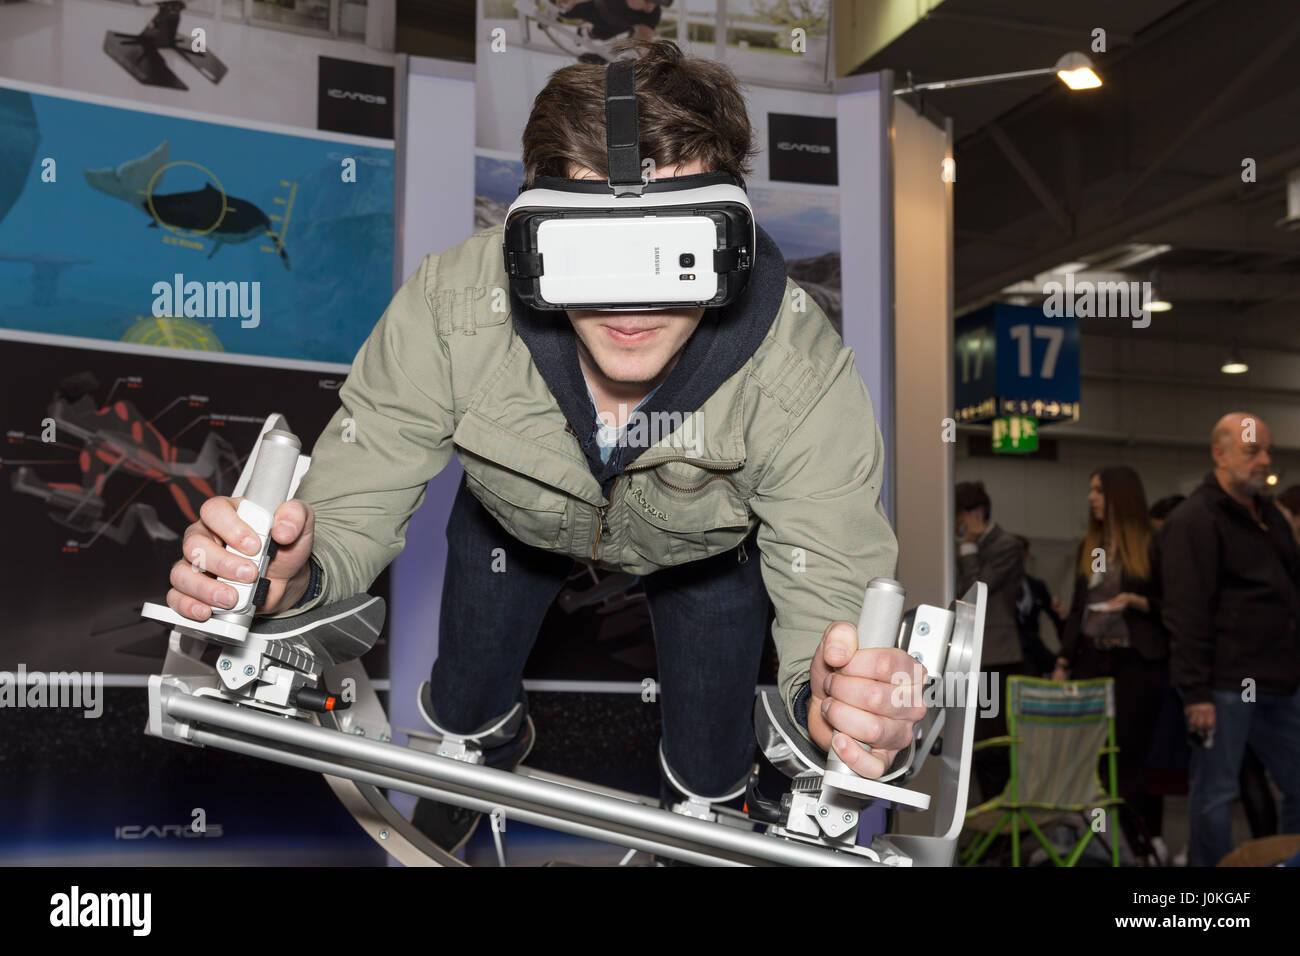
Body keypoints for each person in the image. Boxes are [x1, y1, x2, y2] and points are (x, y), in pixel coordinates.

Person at [161, 39, 924, 854]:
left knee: (711, 766)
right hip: (514, 522)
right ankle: (481, 737)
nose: (631, 301)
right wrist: (289, 576)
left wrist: (843, 704)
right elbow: (350, 505)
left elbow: (832, 601)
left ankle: (708, 796)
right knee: (460, 698)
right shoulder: (455, 310)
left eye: (674, 253)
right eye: (589, 251)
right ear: (531, 241)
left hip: (710, 549)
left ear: (728, 239)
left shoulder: (799, 372)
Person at [1160, 412, 1300, 867]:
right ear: (1219, 454)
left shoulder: (1269, 517)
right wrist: (1195, 691)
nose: (1263, 460)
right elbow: (1185, 612)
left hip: (1279, 681)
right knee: (1216, 794)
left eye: (1268, 451)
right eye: (1251, 451)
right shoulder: (1194, 520)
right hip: (1222, 685)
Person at [1052, 466, 1168, 863]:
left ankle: (1142, 845)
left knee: (1130, 758)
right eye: (1090, 490)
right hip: (1091, 661)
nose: (1092, 497)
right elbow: (1078, 610)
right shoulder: (1092, 545)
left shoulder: (1153, 544)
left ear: (1120, 494)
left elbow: (1175, 606)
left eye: (1099, 490)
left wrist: (1134, 602)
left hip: (1137, 663)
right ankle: (1101, 845)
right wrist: (1063, 660)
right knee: (1091, 756)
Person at [954, 480, 1024, 803]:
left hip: (995, 658)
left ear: (976, 514)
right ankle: (987, 822)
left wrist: (968, 549)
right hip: (971, 657)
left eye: (959, 515)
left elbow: (976, 590)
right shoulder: (965, 547)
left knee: (991, 743)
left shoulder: (1006, 545)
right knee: (973, 742)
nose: (956, 524)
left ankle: (1001, 830)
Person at [1013, 534, 1062, 677]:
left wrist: (1064, 653)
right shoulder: (996, 585)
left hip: (1032, 653)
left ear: (1026, 555)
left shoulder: (1036, 586)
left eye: (1020, 552)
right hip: (1004, 653)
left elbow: (1056, 617)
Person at [556, 0, 665, 42]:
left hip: (614, 27)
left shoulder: (653, 12)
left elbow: (645, 37)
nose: (650, 7)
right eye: (647, 2)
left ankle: (584, 29)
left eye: (655, 4)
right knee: (565, 11)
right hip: (594, 8)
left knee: (596, 35)